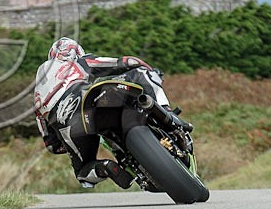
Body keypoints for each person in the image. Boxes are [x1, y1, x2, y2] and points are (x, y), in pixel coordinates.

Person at [34, 37, 173, 189]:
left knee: (83, 172)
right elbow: (126, 63)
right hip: (84, 101)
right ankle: (167, 113)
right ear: (77, 53)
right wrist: (151, 71)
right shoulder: (79, 62)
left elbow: (51, 146)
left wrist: (68, 144)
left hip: (65, 125)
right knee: (140, 72)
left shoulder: (37, 97)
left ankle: (105, 167)